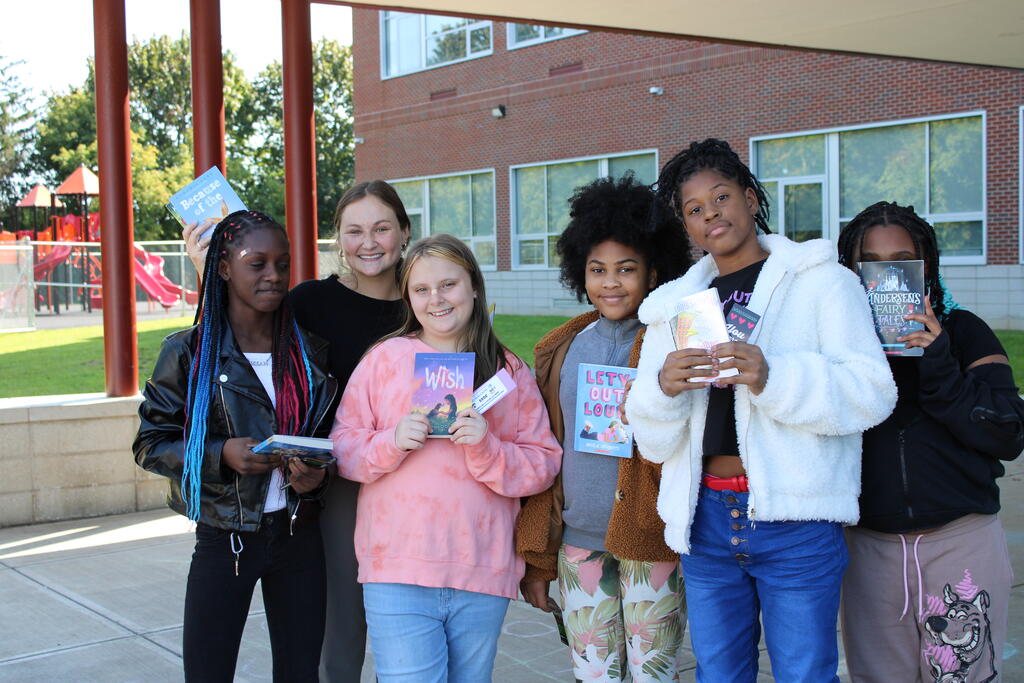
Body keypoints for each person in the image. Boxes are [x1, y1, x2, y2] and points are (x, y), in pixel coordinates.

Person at [624, 138, 897, 682]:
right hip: (704, 519)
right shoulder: (673, 307)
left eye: (721, 197)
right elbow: (653, 442)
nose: (710, 214)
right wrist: (661, 389)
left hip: (796, 516)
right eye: (694, 209)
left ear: (750, 198)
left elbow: (872, 391)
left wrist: (776, 376)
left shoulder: (821, 282)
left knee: (804, 672)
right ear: (686, 226)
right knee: (719, 674)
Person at [183, 181, 410, 680]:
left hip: (416, 482)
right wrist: (213, 271)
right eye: (354, 230)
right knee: (337, 637)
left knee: (410, 632)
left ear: (405, 232)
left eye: (381, 228)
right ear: (338, 238)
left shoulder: (426, 299)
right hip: (333, 485)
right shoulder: (309, 302)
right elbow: (242, 329)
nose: (368, 242)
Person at [331, 234, 561, 682]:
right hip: (398, 567)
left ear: (473, 286)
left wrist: (487, 446)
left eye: (448, 285)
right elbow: (343, 451)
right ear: (408, 297)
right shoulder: (384, 360)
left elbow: (543, 465)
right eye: (422, 289)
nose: (436, 299)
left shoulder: (506, 371)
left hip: (481, 566)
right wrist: (392, 441)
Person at [135, 210, 338, 681]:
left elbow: (328, 443)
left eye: (283, 264)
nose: (274, 275)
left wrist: (316, 478)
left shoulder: (310, 353)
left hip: (299, 535)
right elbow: (151, 443)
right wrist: (221, 453)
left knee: (301, 673)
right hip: (225, 537)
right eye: (257, 263)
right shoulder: (189, 351)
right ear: (224, 268)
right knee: (208, 672)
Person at [836, 201, 1023, 683]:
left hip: (961, 545)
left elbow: (1007, 433)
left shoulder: (964, 332)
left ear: (926, 265)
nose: (887, 276)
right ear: (851, 272)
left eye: (902, 261)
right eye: (871, 263)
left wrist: (938, 359)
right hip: (870, 550)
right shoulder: (838, 345)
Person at [516, 175, 691, 682]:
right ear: (580, 271)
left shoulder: (668, 343)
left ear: (653, 271)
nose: (610, 282)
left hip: (650, 537)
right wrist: (540, 560)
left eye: (626, 269)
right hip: (578, 539)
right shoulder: (562, 347)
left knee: (654, 672)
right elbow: (548, 449)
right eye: (597, 269)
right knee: (593, 673)